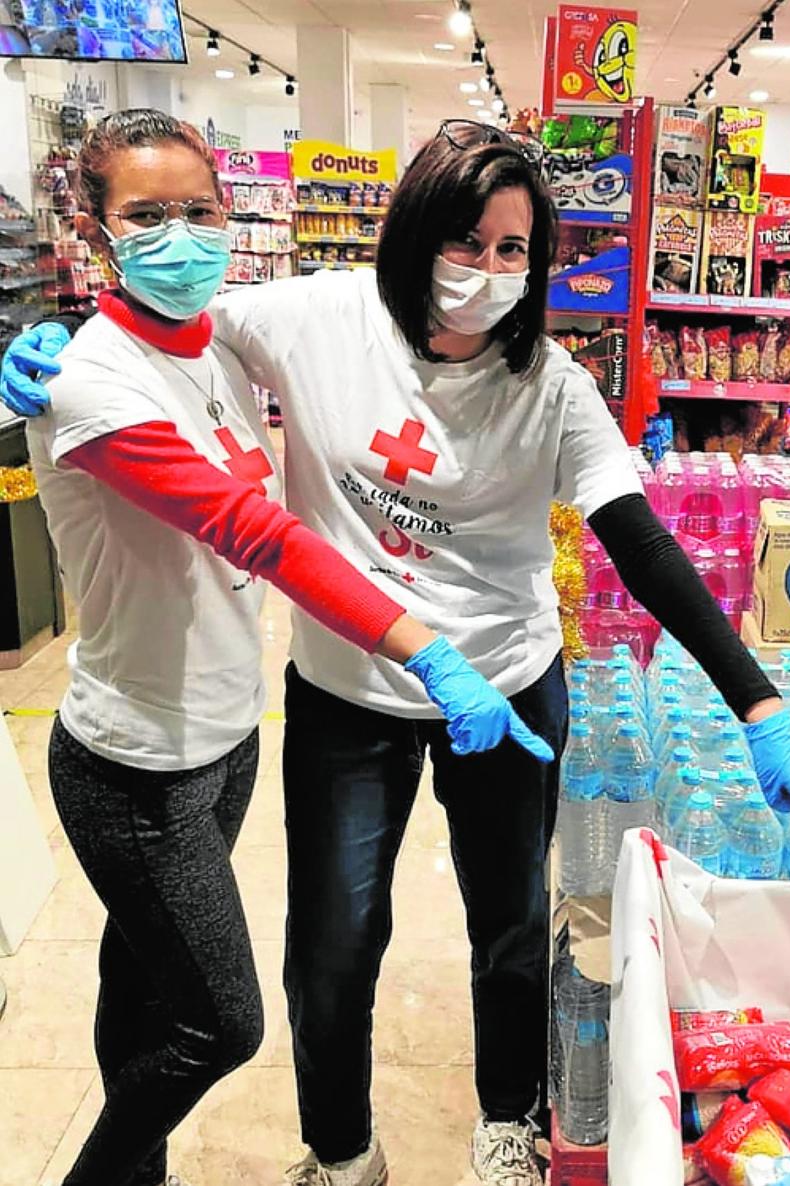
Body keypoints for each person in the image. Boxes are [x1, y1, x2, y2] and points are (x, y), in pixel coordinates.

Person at [2, 116, 790, 1186]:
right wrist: (50, 343)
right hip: (346, 691)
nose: (488, 274)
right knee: (333, 943)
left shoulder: (549, 384)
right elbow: (168, 320)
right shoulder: (316, 317)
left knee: (510, 923)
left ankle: (508, 1119)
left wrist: (760, 704)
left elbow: (639, 544)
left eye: (513, 252)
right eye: (465, 243)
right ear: (412, 237)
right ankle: (342, 1148)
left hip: (503, 685)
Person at [10, 109, 554, 1186]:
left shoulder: (208, 346)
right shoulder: (88, 381)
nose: (184, 235)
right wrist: (428, 650)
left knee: (144, 981)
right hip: (135, 760)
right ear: (94, 228)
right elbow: (252, 530)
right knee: (220, 1024)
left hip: (221, 735)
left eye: (201, 210)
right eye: (147, 215)